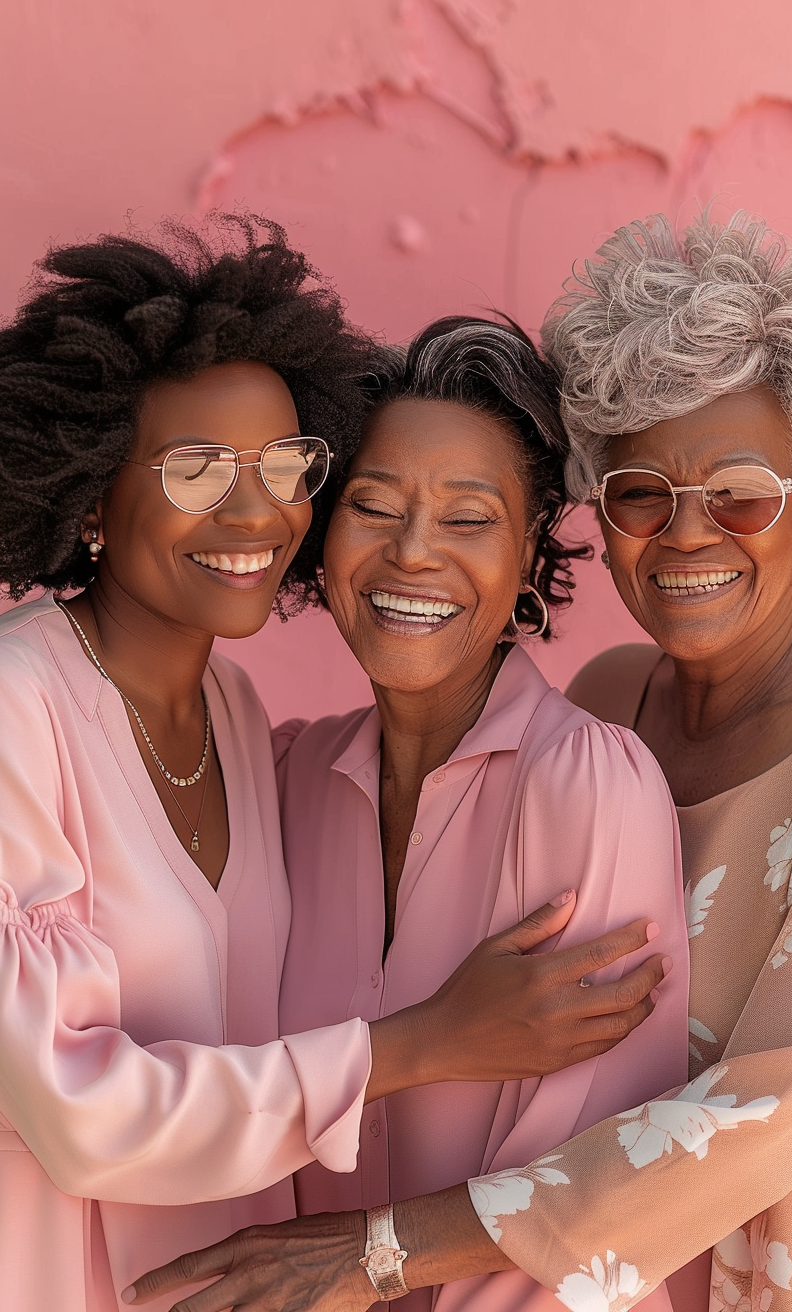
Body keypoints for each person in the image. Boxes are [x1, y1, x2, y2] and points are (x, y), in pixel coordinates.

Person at [132, 213, 792, 1312]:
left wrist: (370, 1248)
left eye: (740, 495)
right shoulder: (611, 700)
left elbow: (758, 1121)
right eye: (643, 493)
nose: (687, 536)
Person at [0, 223, 668, 1312]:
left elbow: (591, 1192)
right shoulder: (27, 709)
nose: (255, 509)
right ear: (88, 496)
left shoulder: (241, 720)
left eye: (281, 467)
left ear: (531, 551)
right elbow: (78, 1111)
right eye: (196, 468)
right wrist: (415, 1046)